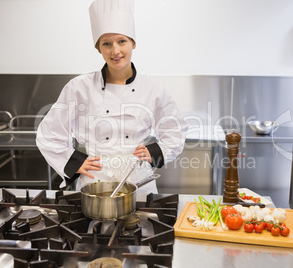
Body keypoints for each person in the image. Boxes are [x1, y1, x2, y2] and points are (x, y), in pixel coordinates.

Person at [36, 0, 188, 193]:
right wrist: (74, 162)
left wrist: (155, 152)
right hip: (95, 181)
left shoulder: (153, 89)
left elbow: (176, 130)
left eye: (122, 41)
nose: (115, 51)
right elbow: (49, 134)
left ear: (133, 43)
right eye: (107, 44)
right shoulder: (79, 88)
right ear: (98, 48)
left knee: (142, 223)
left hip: (138, 181)